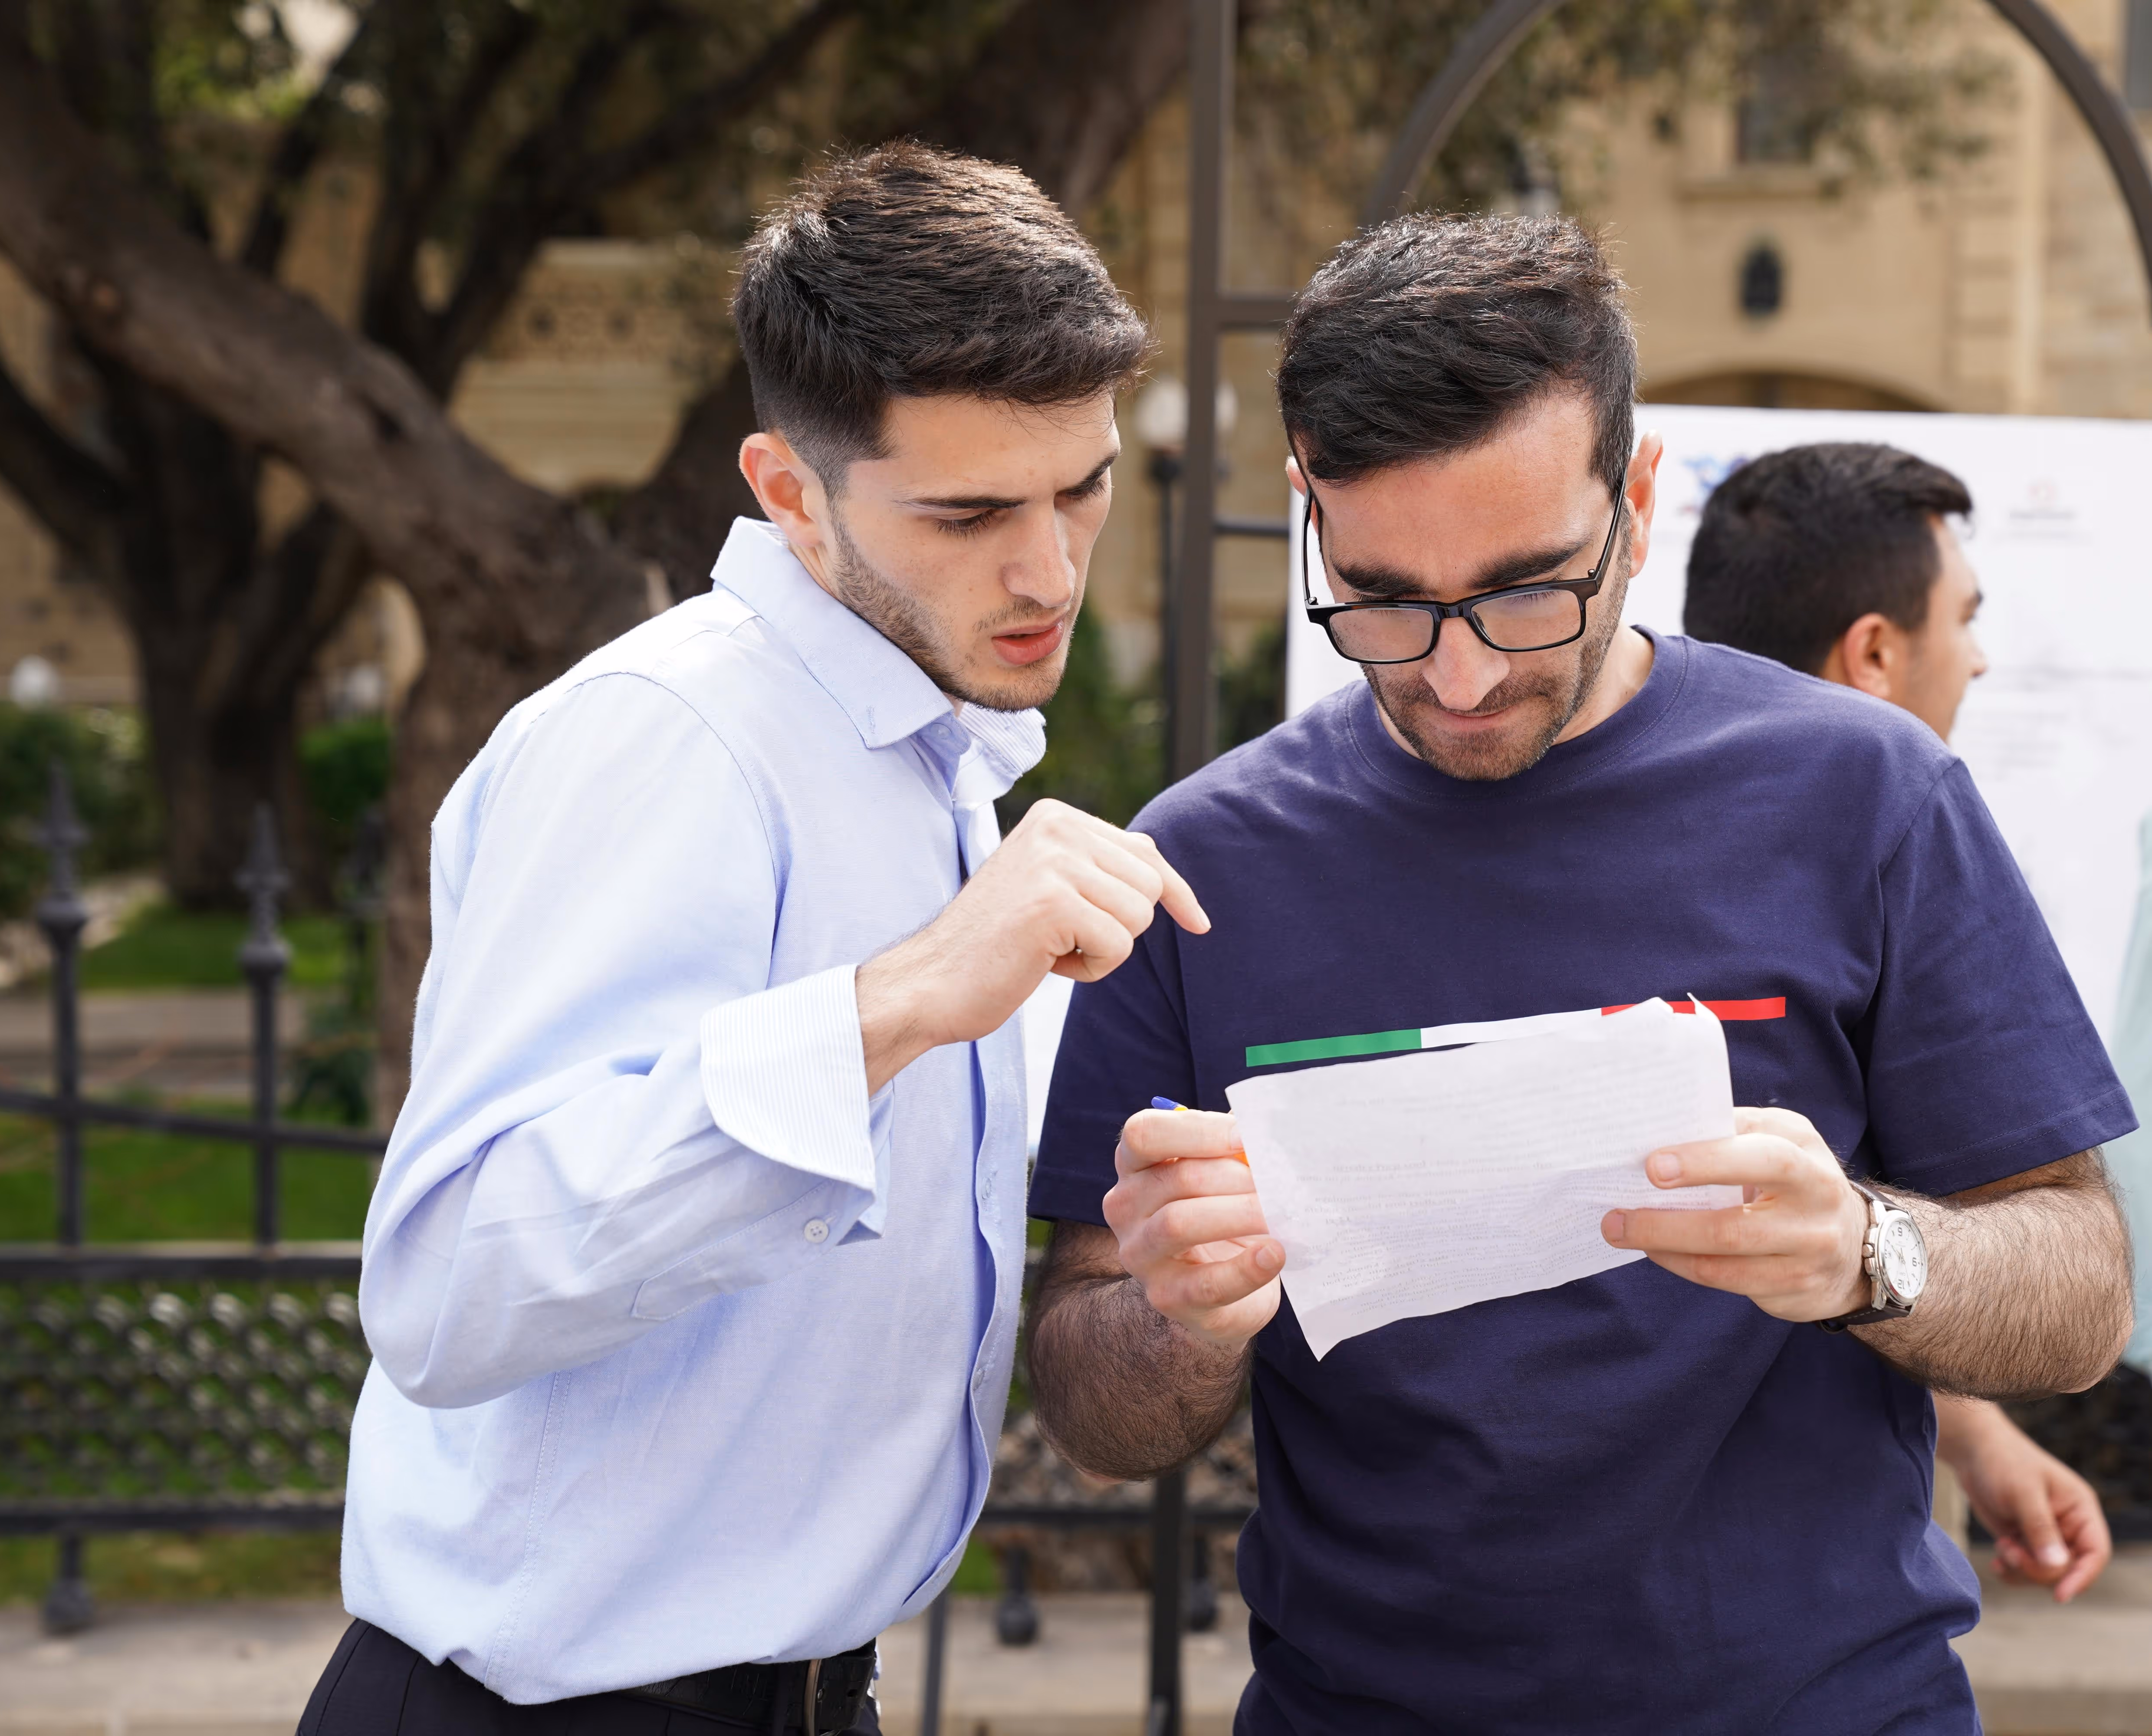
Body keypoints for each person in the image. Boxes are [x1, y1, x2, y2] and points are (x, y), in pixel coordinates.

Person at [1025, 214, 2136, 1735]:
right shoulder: (1201, 861)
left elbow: (2079, 1282)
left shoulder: (1868, 796)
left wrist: (1870, 1255)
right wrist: (1178, 1321)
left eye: (1528, 590)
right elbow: (1092, 1397)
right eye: (1383, 598)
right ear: (1308, 507)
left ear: (1640, 495)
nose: (1461, 674)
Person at [299, 145, 1208, 1736]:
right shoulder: (669, 740)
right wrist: (904, 1001)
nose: (1051, 570)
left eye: (1085, 485)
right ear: (790, 493)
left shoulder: (934, 757)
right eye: (969, 511)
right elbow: (443, 1292)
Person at [1683, 440, 2113, 1604]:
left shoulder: (1881, 840)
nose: (1977, 659)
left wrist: (1972, 1433)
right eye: (1964, 618)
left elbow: (1831, 1233)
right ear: (1874, 650)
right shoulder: (1900, 823)